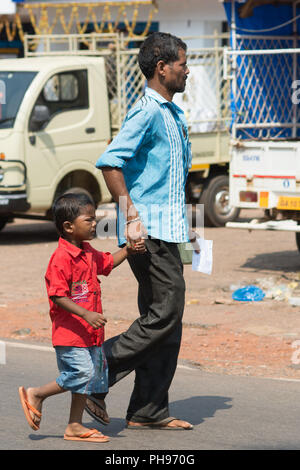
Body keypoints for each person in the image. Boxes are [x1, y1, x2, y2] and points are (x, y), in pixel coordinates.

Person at [85, 32, 198, 430]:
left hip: (170, 229)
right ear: (161, 66)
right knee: (167, 310)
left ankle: (149, 410)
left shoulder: (172, 114)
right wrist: (129, 215)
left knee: (164, 318)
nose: (187, 70)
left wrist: (191, 228)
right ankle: (93, 370)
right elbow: (110, 162)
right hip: (145, 231)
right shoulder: (146, 111)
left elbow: (170, 180)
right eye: (182, 63)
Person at [18, 192, 144, 443]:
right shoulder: (61, 258)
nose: (95, 224)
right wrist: (86, 313)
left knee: (86, 381)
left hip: (90, 334)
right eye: (89, 220)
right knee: (80, 375)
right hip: (70, 334)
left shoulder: (86, 251)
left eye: (95, 218)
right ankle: (37, 394)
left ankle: (74, 425)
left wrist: (128, 250)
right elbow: (57, 296)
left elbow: (106, 263)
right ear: (68, 226)